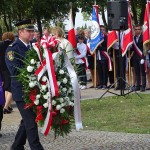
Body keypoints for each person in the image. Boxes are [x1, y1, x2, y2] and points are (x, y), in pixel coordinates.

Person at [5, 19, 44, 150]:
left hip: (33, 90)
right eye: (29, 31)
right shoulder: (12, 49)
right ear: (20, 32)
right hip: (22, 91)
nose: (32, 33)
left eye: (33, 31)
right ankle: (36, 147)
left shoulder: (33, 46)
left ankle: (17, 146)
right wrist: (33, 69)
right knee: (31, 123)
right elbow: (14, 70)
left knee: (27, 121)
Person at [0, 32, 15, 114]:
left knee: (6, 87)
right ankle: (6, 107)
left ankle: (8, 105)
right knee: (10, 88)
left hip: (2, 69)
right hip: (9, 68)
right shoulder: (12, 45)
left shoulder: (1, 45)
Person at [131, 25, 146, 92]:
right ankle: (137, 86)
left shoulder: (143, 37)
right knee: (136, 72)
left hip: (141, 57)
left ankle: (143, 86)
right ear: (134, 30)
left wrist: (143, 57)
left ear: (141, 30)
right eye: (136, 29)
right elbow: (133, 49)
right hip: (135, 57)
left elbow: (145, 48)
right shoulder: (133, 38)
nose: (137, 30)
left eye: (139, 29)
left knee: (142, 72)